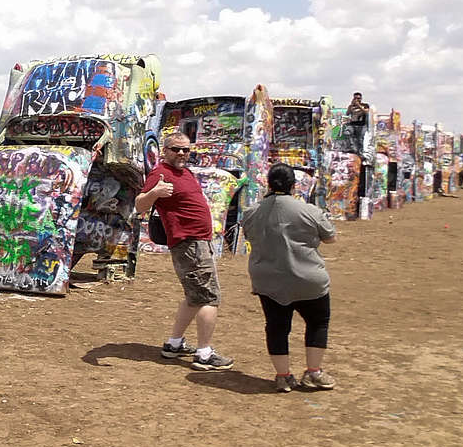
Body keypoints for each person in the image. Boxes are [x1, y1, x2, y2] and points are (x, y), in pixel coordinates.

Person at [136, 132, 234, 371]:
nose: (181, 154)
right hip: (190, 244)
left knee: (194, 297)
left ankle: (174, 344)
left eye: (185, 150)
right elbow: (139, 204)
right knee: (208, 298)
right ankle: (204, 354)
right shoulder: (160, 174)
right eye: (175, 149)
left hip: (197, 243)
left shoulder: (184, 172)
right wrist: (154, 194)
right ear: (165, 151)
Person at [241, 164, 339, 392]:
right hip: (308, 279)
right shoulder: (309, 210)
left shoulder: (252, 211)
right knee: (317, 322)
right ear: (294, 185)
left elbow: (249, 234)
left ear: (268, 183)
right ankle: (314, 372)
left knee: (276, 327)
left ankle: (283, 376)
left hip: (268, 279)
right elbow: (330, 238)